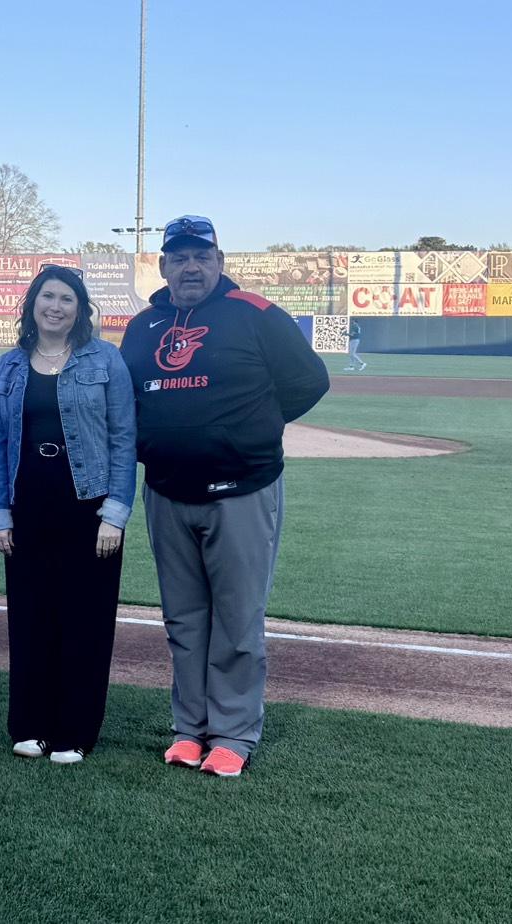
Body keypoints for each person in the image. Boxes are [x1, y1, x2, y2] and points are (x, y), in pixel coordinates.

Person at [119, 215, 329, 777]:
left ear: (219, 260)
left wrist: (253, 427)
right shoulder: (143, 327)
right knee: (184, 621)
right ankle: (190, 729)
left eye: (201, 256)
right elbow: (127, 403)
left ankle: (233, 733)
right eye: (179, 257)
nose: (190, 266)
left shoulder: (255, 314)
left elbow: (310, 381)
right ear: (162, 266)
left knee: (237, 619)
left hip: (242, 490)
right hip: (166, 492)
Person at [0, 265, 136, 764]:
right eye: (47, 296)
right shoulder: (9, 366)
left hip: (88, 509)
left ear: (80, 308)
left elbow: (122, 439)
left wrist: (114, 513)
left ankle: (75, 730)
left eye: (66, 298)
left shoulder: (104, 361)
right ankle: (31, 724)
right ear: (32, 305)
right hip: (27, 508)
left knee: (85, 621)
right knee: (30, 619)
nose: (55, 306)